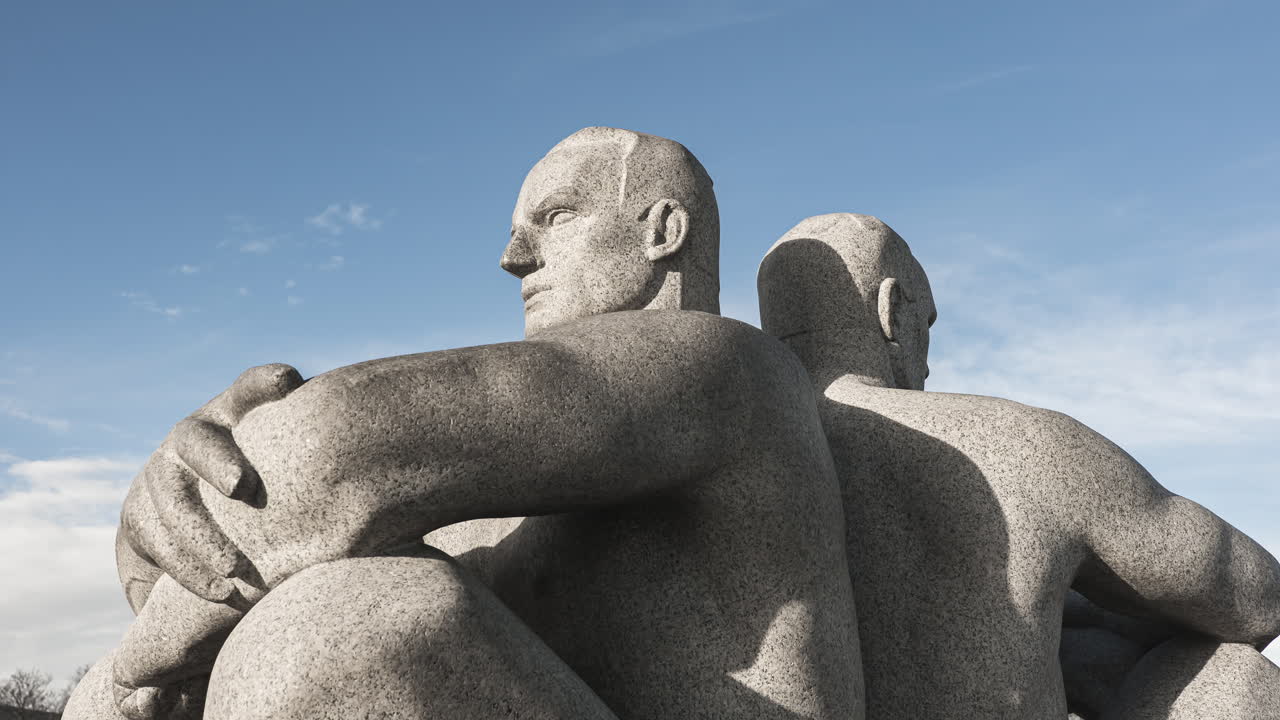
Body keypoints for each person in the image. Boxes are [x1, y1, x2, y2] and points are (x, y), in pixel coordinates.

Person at [69, 129, 865, 720]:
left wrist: (127, 675)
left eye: (554, 217)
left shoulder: (734, 370)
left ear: (661, 231)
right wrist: (173, 506)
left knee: (342, 626)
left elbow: (339, 448)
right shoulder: (504, 490)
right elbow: (290, 521)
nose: (513, 258)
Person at [756, 212, 1280, 719]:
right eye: (926, 323)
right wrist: (1095, 604)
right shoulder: (1020, 442)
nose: (929, 362)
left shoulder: (736, 458)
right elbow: (1258, 596)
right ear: (891, 310)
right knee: (1231, 674)